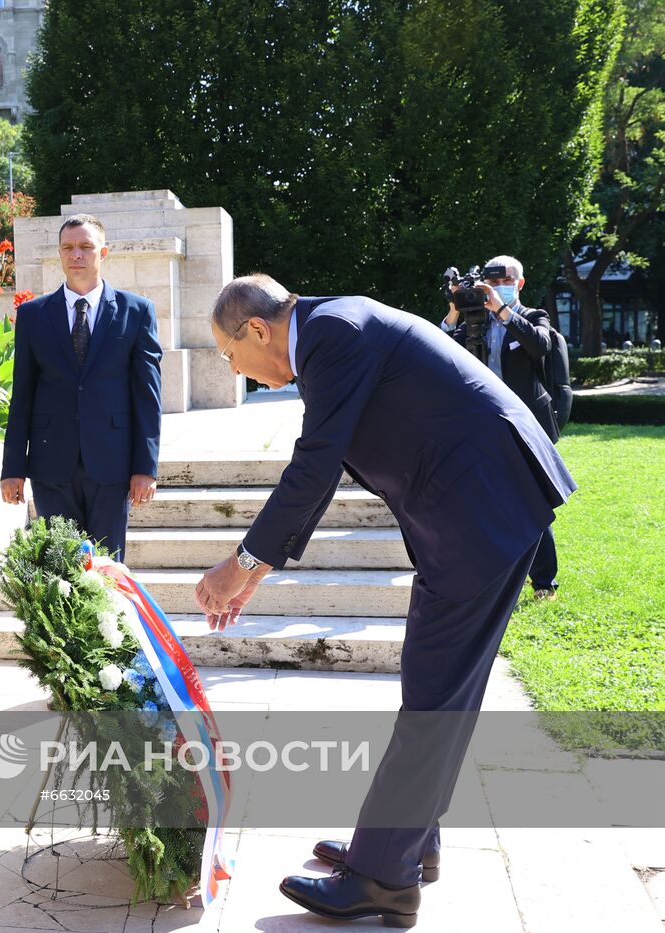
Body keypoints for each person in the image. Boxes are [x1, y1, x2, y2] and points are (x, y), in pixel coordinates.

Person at [192, 275, 575, 928]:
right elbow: (327, 463)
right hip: (478, 507)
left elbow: (314, 461)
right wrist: (259, 568)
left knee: (434, 695)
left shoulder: (332, 334)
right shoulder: (333, 327)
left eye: (230, 356)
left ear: (255, 330)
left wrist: (243, 562)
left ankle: (382, 878)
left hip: (481, 508)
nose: (239, 372)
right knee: (436, 689)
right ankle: (405, 845)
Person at [0, 214, 163, 561]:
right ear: (60, 254)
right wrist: (13, 468)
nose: (77, 255)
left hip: (112, 464)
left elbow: (147, 397)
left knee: (107, 567)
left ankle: (110, 620)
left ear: (103, 253)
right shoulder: (32, 315)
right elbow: (23, 395)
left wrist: (145, 467)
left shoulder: (137, 312)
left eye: (86, 247)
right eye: (68, 248)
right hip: (50, 465)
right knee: (59, 569)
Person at [443, 255, 561, 598]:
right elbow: (436, 351)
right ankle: (487, 577)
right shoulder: (471, 322)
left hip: (526, 424)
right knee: (480, 500)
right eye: (490, 282)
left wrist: (503, 312)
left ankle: (543, 582)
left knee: (532, 501)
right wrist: (454, 310)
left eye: (503, 281)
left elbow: (540, 346)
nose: (496, 288)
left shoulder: (532, 316)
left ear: (518, 284)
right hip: (482, 423)